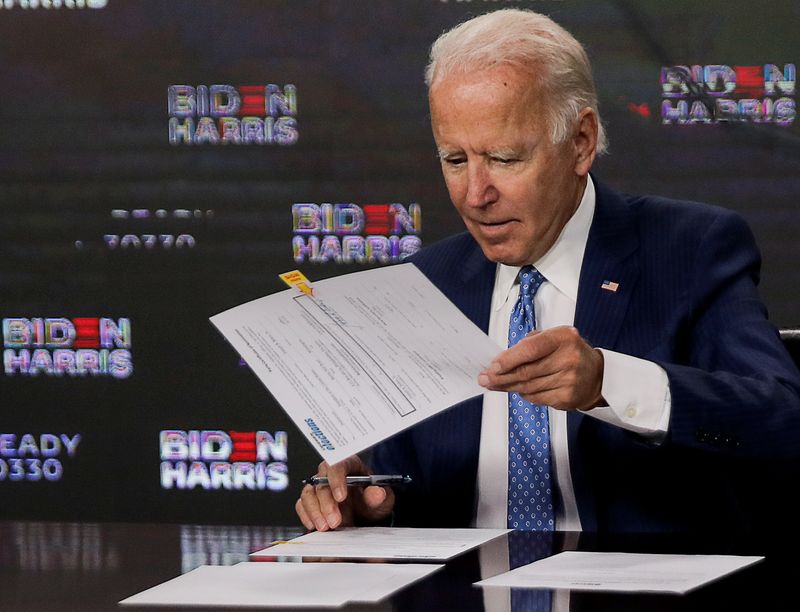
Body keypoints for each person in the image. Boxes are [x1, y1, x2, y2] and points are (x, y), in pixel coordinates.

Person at [295, 9, 800, 533]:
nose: (475, 195)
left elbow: (785, 422)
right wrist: (365, 497)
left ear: (580, 142)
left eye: (505, 158)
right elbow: (400, 481)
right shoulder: (425, 282)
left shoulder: (691, 251)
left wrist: (608, 382)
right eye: (454, 159)